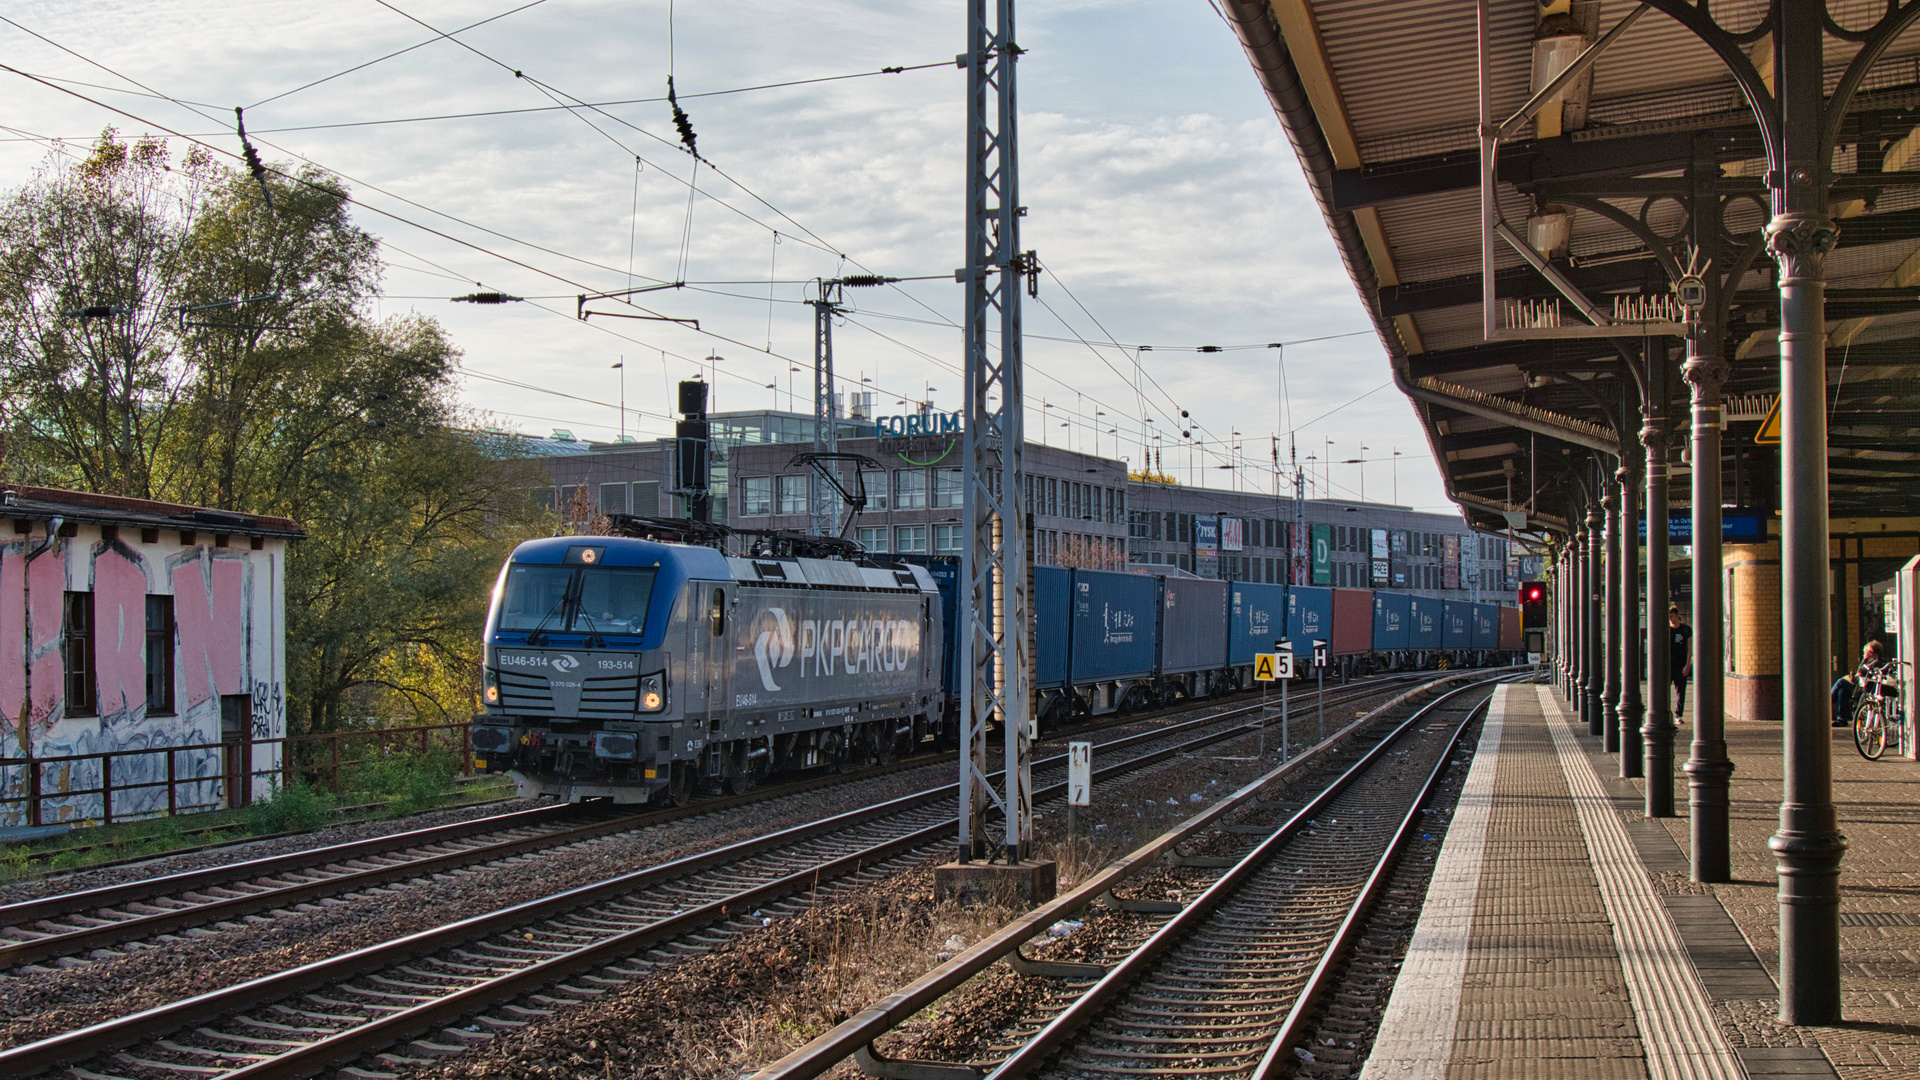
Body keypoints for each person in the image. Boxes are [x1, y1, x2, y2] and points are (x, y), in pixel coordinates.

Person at [1832, 640, 1888, 727]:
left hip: (1867, 689)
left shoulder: (1877, 662)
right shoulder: (1872, 661)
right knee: (1842, 691)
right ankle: (1841, 718)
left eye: (1867, 650)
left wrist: (1864, 659)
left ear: (1872, 652)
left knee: (1841, 682)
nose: (1865, 652)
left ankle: (1829, 699)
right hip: (1862, 686)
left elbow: (1860, 671)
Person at [1668, 605, 1693, 721]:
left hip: (1681, 665)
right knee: (1664, 692)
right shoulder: (1667, 630)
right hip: (1668, 666)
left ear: (1677, 616)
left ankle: (1679, 715)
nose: (1671, 618)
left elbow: (1689, 648)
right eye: (1669, 616)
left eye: (1672, 616)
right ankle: (1666, 713)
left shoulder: (1685, 630)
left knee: (1681, 692)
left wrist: (1687, 665)